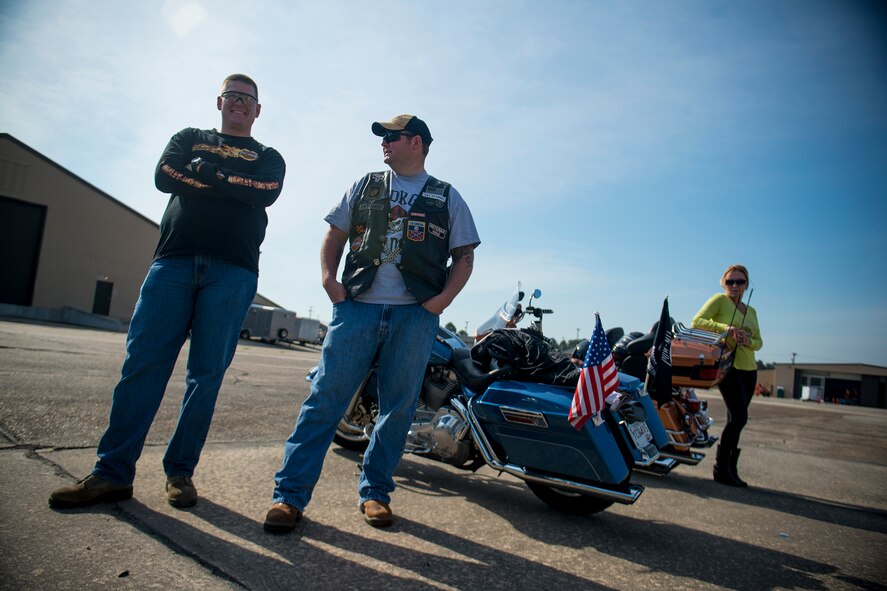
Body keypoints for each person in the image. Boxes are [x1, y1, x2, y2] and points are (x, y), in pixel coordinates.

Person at [49, 74, 286, 509]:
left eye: (246, 99)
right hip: (172, 263)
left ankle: (180, 473)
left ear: (258, 109)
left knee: (205, 376)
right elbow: (165, 176)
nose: (238, 103)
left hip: (232, 272)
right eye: (232, 96)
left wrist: (207, 173)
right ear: (220, 102)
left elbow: (264, 192)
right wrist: (230, 184)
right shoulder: (189, 138)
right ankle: (112, 473)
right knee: (142, 366)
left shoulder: (268, 157)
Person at [264, 114, 479, 532]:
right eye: (382, 138)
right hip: (358, 306)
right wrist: (330, 281)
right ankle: (288, 497)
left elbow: (464, 257)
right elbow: (335, 234)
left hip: (414, 316)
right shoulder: (364, 185)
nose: (384, 143)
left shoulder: (447, 196)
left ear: (415, 142)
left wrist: (439, 303)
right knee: (325, 399)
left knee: (397, 408)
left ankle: (376, 493)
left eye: (392, 137)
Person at [692, 264, 762, 487]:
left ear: (746, 285)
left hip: (749, 369)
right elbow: (698, 321)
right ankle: (720, 468)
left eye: (739, 282)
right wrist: (727, 328)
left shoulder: (751, 311)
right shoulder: (719, 301)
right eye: (730, 282)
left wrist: (747, 341)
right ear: (724, 283)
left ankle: (730, 469)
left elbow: (759, 342)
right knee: (740, 416)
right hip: (728, 366)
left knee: (736, 420)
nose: (734, 286)